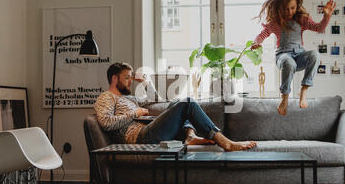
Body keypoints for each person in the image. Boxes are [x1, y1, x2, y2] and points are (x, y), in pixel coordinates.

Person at [94, 62, 257, 151]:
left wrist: (144, 81)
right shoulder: (106, 97)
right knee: (187, 103)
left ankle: (190, 136)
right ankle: (225, 142)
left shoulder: (128, 98)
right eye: (127, 78)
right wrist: (134, 113)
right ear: (114, 79)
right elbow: (106, 122)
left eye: (131, 78)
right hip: (139, 137)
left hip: (146, 129)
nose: (130, 81)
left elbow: (154, 98)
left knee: (176, 103)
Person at [250, 0, 336, 115]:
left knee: (315, 55)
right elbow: (263, 34)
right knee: (289, 63)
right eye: (286, 9)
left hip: (299, 55)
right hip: (283, 56)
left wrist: (326, 16)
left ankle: (304, 89)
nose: (289, 12)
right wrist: (256, 42)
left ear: (297, 6)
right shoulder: (275, 23)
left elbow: (319, 28)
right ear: (279, 8)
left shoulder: (302, 20)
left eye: (292, 8)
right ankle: (284, 97)